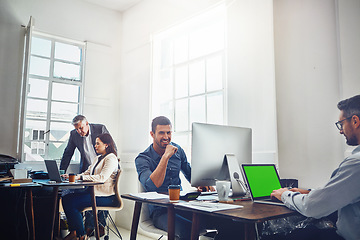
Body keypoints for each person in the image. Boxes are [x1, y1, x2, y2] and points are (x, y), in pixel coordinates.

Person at [135, 116, 241, 239]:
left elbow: (191, 175)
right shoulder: (142, 158)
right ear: (152, 134)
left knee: (230, 223)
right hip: (161, 212)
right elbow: (153, 185)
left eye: (168, 132)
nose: (166, 137)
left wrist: (202, 182)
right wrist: (165, 157)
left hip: (183, 206)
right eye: (161, 133)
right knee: (188, 230)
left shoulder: (178, 150)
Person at [271, 95, 360, 240]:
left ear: (355, 121)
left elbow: (312, 208)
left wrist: (284, 195)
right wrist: (309, 192)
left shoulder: (356, 163)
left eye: (341, 124)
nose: (340, 130)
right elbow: (346, 193)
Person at [60, 115, 115, 235]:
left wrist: (113, 165)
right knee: (76, 195)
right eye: (76, 129)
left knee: (97, 193)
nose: (79, 131)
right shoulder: (74, 135)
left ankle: (96, 226)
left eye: (81, 128)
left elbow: (111, 146)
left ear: (87, 124)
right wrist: (62, 172)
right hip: (90, 168)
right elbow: (67, 153)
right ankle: (82, 230)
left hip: (103, 172)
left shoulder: (100, 130)